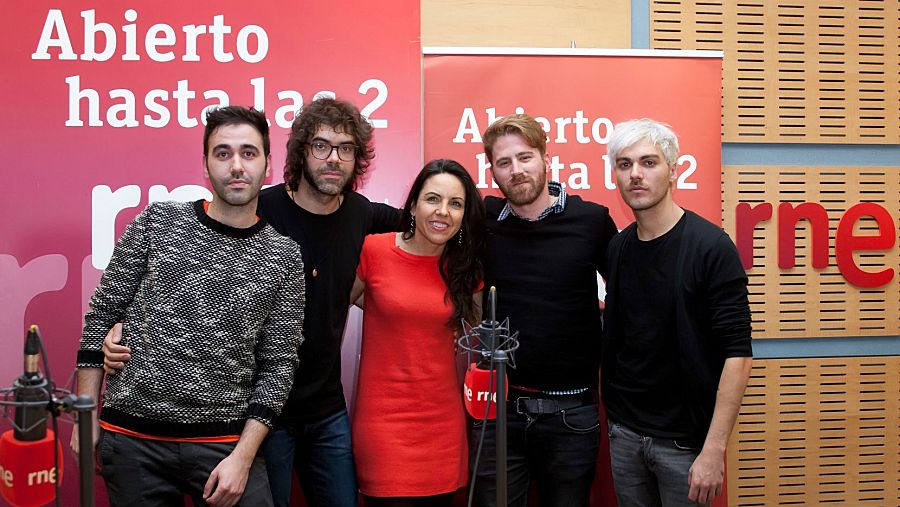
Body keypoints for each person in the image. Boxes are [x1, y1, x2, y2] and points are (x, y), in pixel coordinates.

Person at [103, 97, 401, 507]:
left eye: (345, 148)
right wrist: (125, 330)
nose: (333, 159)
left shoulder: (361, 213)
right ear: (298, 153)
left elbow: (427, 223)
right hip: (257, 415)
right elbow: (177, 278)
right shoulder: (258, 206)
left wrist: (490, 213)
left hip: (326, 408)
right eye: (321, 146)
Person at [74, 106, 306, 507]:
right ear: (205, 165)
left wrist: (244, 457)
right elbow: (102, 315)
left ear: (267, 165)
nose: (236, 165)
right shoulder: (158, 221)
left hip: (224, 447)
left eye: (249, 153)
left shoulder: (284, 256)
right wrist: (84, 417)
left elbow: (279, 364)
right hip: (133, 442)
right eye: (223, 153)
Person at [602, 118, 752, 506]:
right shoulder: (618, 249)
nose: (635, 174)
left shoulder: (711, 247)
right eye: (624, 164)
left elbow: (737, 356)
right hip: (626, 437)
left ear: (674, 169)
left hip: (686, 446)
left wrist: (713, 450)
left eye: (649, 162)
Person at [472, 114, 619, 507]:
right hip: (498, 414)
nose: (516, 170)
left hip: (571, 415)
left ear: (545, 158)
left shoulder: (591, 220)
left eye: (525, 157)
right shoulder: (481, 220)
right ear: (493, 171)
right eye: (504, 163)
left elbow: (631, 293)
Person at [349, 159, 486, 507]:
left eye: (456, 204)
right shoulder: (374, 250)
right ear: (412, 204)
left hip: (443, 428)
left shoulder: (465, 269)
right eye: (432, 199)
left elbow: (481, 327)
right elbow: (331, 313)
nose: (443, 212)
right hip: (384, 428)